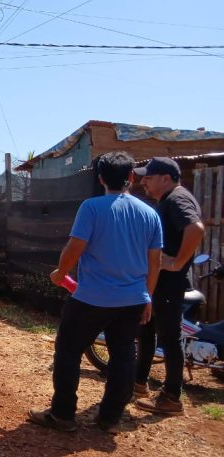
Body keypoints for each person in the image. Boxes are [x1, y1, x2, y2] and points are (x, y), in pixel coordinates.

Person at [28, 151, 162, 434]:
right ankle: (110, 419)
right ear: (130, 178)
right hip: (133, 299)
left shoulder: (91, 208)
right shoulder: (150, 214)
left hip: (92, 298)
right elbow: (155, 262)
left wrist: (60, 274)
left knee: (68, 350)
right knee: (124, 355)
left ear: (100, 178)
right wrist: (147, 295)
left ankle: (63, 414)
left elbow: (74, 248)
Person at [133, 157, 204, 415]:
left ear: (165, 178)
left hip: (169, 285)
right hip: (160, 283)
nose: (143, 182)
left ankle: (171, 397)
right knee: (146, 328)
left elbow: (195, 228)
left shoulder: (176, 198)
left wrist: (176, 262)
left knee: (169, 339)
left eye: (148, 177)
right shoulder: (170, 199)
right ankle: (139, 383)